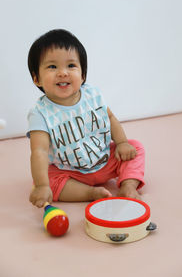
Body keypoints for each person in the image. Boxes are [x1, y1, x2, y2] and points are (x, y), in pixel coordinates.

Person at [27, 29, 145, 208]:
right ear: (37, 79)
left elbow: (110, 117)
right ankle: (89, 193)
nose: (63, 73)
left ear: (82, 75)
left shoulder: (92, 94)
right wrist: (42, 186)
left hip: (104, 160)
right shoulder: (40, 113)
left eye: (71, 65)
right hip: (71, 172)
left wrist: (121, 143)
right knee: (46, 181)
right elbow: (39, 152)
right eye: (52, 66)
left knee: (135, 147)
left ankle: (128, 185)